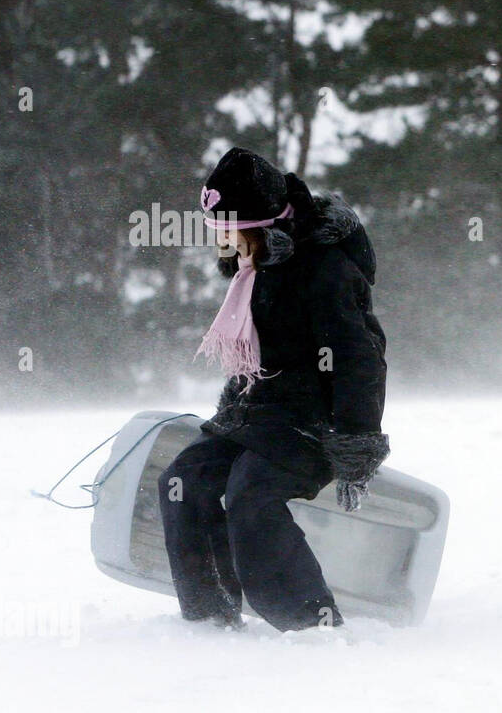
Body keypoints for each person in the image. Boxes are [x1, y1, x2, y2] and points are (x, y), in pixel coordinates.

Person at [158, 147, 390, 632]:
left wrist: (355, 447)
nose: (219, 240)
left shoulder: (324, 271)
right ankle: (210, 616)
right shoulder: (254, 270)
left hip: (312, 424)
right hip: (260, 417)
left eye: (225, 228)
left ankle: (311, 623)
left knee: (251, 495)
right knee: (184, 482)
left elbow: (359, 360)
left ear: (259, 225)